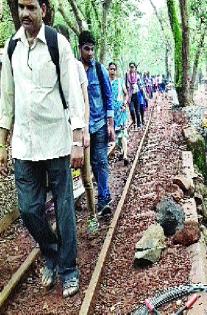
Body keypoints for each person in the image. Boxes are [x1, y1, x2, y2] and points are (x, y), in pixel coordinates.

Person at [0, 0, 85, 297]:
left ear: (44, 9)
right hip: (24, 144)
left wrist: (77, 141)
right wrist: (3, 140)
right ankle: (50, 252)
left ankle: (69, 269)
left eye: (31, 7)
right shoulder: (12, 47)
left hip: (55, 140)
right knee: (28, 209)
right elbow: (7, 96)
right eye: (21, 7)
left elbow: (74, 94)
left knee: (63, 209)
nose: (25, 13)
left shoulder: (57, 43)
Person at [54, 24, 99, 234]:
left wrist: (86, 130)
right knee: (62, 184)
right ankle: (67, 225)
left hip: (79, 131)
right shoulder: (51, 66)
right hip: (59, 133)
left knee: (86, 178)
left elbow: (85, 100)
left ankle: (92, 217)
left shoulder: (76, 66)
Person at [79, 30, 115, 217]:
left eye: (93, 49)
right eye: (87, 49)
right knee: (85, 166)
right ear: (80, 49)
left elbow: (108, 97)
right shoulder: (74, 69)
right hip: (80, 128)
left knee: (100, 162)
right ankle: (87, 201)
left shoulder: (100, 70)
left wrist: (110, 124)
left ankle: (103, 199)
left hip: (99, 124)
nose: (90, 53)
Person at [109, 62, 130, 166]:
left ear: (116, 71)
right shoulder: (106, 83)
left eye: (114, 69)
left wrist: (124, 104)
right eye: (111, 69)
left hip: (120, 111)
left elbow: (126, 94)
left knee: (123, 134)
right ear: (108, 70)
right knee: (114, 135)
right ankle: (119, 152)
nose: (112, 71)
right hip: (110, 114)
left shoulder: (120, 82)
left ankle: (125, 155)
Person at [126, 62, 143, 130]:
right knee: (131, 110)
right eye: (130, 67)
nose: (131, 68)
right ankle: (134, 122)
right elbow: (125, 85)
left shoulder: (138, 76)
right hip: (130, 95)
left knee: (137, 111)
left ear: (135, 68)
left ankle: (138, 124)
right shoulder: (127, 75)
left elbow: (141, 85)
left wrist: (144, 95)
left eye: (133, 67)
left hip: (137, 94)